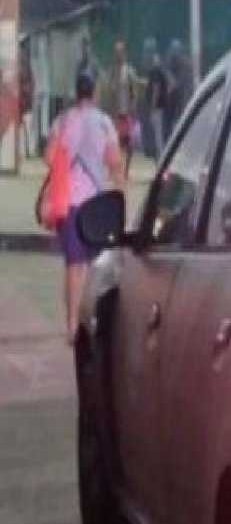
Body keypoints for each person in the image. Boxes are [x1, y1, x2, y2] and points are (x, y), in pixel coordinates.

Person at [46, 72, 125, 346]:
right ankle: (91, 322)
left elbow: (49, 157)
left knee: (73, 266)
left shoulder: (63, 120)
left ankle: (70, 327)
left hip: (67, 204)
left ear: (75, 93)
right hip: (95, 205)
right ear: (95, 92)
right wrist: (122, 194)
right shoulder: (104, 122)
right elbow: (114, 162)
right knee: (95, 266)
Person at [109, 40, 139, 177]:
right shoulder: (113, 71)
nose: (118, 55)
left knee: (129, 143)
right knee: (117, 143)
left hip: (127, 112)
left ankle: (126, 169)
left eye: (120, 52)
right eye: (116, 53)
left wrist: (132, 108)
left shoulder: (129, 71)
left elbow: (134, 91)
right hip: (116, 111)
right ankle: (118, 169)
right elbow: (110, 90)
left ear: (124, 54)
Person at [145, 47, 171, 159]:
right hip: (163, 107)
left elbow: (155, 89)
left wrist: (152, 108)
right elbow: (172, 84)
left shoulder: (154, 72)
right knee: (160, 134)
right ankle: (161, 157)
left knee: (158, 136)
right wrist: (165, 95)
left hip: (157, 108)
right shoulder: (162, 72)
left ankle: (160, 159)